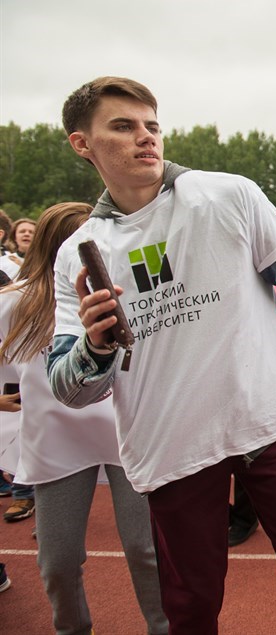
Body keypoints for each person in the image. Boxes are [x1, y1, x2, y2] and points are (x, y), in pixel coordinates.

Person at [48, 77, 276, 635]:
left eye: (151, 125)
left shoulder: (227, 193)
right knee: (192, 604)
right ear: (82, 144)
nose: (146, 138)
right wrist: (94, 348)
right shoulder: (78, 252)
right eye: (123, 126)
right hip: (173, 445)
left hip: (267, 422)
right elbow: (70, 388)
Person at [0, 201, 167, 635]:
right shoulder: (13, 304)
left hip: (126, 432)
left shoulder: (124, 292)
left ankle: (164, 627)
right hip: (55, 443)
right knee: (56, 561)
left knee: (145, 549)